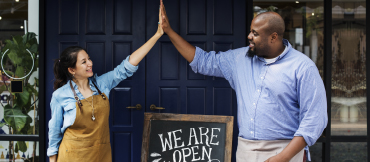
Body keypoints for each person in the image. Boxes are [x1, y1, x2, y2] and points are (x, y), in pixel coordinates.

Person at [159, 0, 327, 161]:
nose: (249, 36)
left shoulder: (303, 67)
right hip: (246, 150)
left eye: (255, 33)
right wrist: (169, 31)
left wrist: (283, 157)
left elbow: (314, 120)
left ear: (273, 37)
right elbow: (203, 61)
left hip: (285, 151)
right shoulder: (239, 59)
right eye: (250, 31)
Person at [47, 7, 164, 162]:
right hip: (72, 157)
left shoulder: (101, 84)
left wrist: (157, 35)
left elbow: (126, 67)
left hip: (101, 155)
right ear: (71, 69)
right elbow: (54, 132)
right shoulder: (60, 95)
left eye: (89, 59)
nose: (90, 63)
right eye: (84, 62)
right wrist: (53, 159)